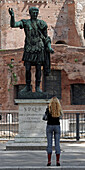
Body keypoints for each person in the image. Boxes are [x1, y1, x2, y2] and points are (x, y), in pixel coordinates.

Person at [8, 7, 54, 93]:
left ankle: (37, 87)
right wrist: (12, 16)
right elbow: (13, 24)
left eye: (37, 12)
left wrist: (49, 47)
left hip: (39, 47)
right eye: (33, 12)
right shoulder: (25, 22)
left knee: (38, 68)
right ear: (30, 13)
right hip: (29, 48)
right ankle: (28, 86)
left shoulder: (42, 23)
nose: (35, 14)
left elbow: (46, 38)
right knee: (28, 68)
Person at [45, 96, 63, 166]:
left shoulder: (48, 109)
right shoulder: (59, 109)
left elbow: (44, 117)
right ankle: (57, 161)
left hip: (49, 126)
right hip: (57, 126)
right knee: (57, 144)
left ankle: (49, 161)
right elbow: (61, 117)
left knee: (49, 144)